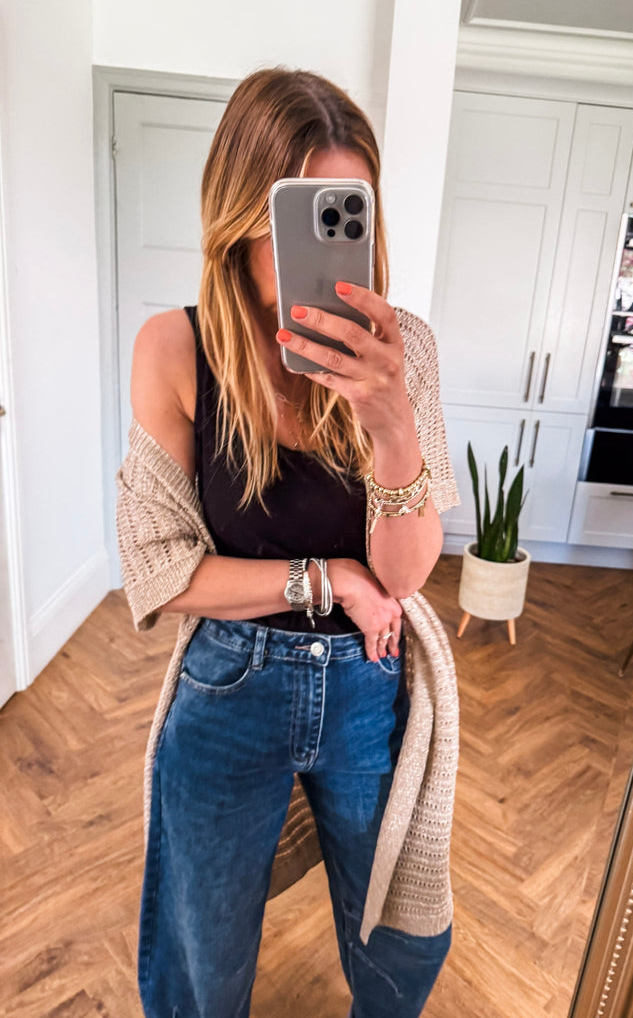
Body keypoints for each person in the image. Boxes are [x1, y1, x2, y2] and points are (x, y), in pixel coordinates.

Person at [116, 67, 460, 1018]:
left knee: (400, 945)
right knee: (202, 955)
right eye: (295, 219)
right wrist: (327, 577)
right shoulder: (175, 349)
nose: (326, 252)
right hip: (229, 686)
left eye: (346, 216)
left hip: (368, 686)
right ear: (239, 218)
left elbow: (405, 574)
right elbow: (158, 571)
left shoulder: (406, 351)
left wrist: (391, 424)